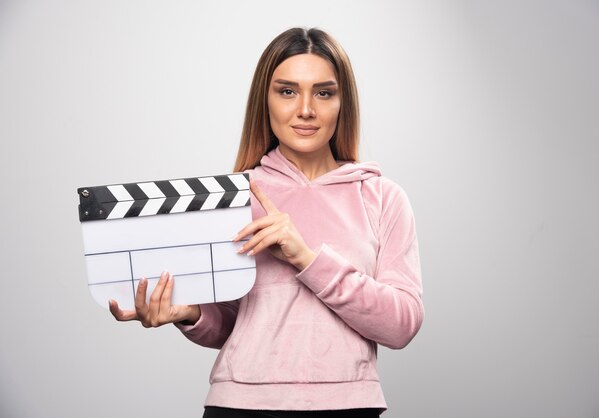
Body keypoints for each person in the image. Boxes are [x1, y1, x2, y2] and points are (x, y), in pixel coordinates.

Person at [109, 27, 424, 418]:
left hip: (348, 405)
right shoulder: (231, 196)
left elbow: (401, 324)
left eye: (323, 92)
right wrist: (190, 314)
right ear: (266, 99)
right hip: (241, 406)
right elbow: (230, 325)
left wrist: (307, 258)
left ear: (343, 103)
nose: (305, 109)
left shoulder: (381, 197)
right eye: (287, 91)